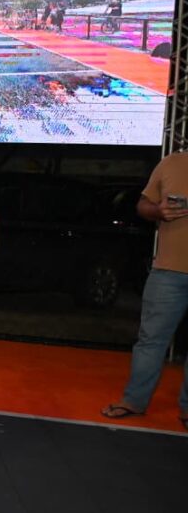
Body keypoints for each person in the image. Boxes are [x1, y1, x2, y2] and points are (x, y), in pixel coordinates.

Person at [102, 151, 188, 430]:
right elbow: (143, 206)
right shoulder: (172, 163)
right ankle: (134, 401)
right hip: (167, 271)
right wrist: (158, 210)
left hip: (167, 274)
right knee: (150, 341)